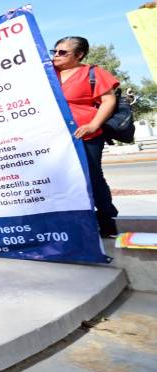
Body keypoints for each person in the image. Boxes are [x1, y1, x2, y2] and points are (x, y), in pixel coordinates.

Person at [51, 36, 120, 237]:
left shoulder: (93, 72)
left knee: (92, 177)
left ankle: (107, 221)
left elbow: (108, 101)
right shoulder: (48, 72)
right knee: (62, 179)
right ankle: (75, 222)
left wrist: (93, 125)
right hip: (56, 137)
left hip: (86, 135)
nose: (56, 56)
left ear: (79, 55)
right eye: (54, 51)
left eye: (63, 52)